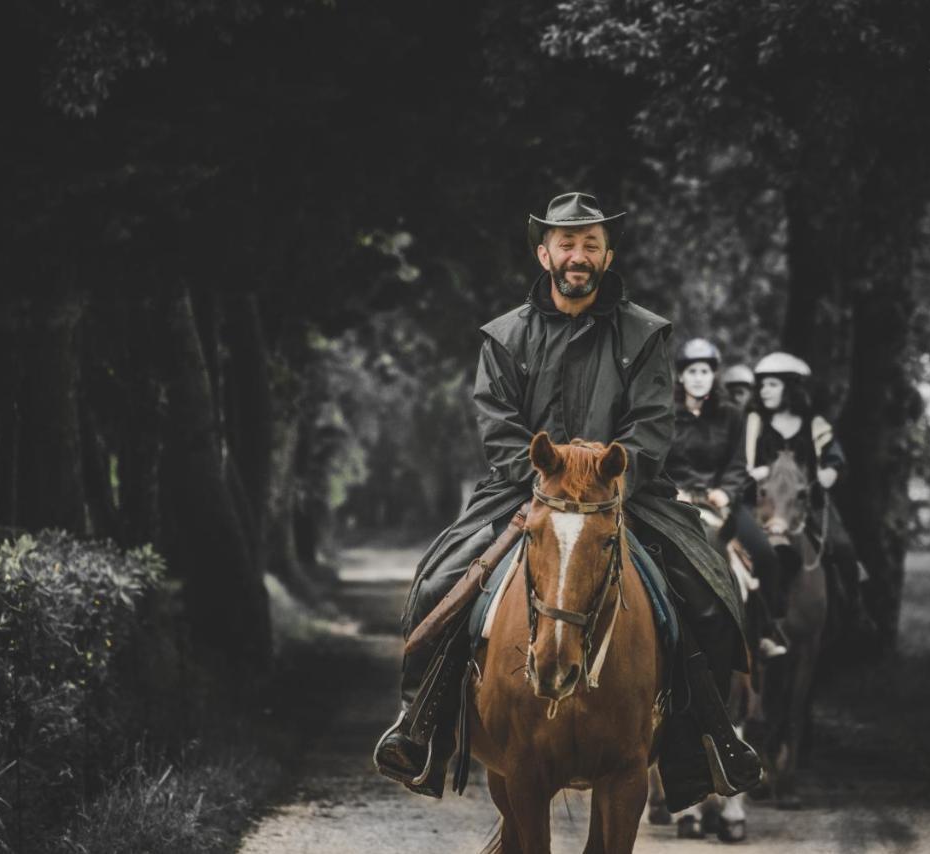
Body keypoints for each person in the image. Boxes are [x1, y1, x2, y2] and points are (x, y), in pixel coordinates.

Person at [373, 192, 762, 801]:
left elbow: (654, 423)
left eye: (590, 244)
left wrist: (610, 479)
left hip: (624, 495)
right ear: (543, 252)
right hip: (521, 494)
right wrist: (542, 485)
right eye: (566, 243)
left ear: (607, 256)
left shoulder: (647, 333)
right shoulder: (504, 337)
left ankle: (704, 744)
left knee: (708, 596)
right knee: (436, 583)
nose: (577, 255)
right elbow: (498, 426)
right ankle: (420, 730)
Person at [664, 338, 787, 659]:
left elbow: (737, 465)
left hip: (720, 502)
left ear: (713, 375)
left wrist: (726, 491)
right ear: (680, 377)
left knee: (765, 555)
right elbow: (654, 462)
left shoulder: (732, 416)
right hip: (674, 502)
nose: (698, 377)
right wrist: (673, 490)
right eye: (692, 371)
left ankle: (763, 631)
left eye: (705, 371)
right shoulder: (663, 415)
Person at [744, 352, 871, 636]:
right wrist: (752, 473)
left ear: (790, 387)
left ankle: (854, 613)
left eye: (772, 384)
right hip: (763, 504)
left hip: (808, 504)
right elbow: (741, 461)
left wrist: (831, 471)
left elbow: (834, 456)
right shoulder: (754, 423)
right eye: (762, 385)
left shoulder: (815, 425)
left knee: (843, 547)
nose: (764, 390)